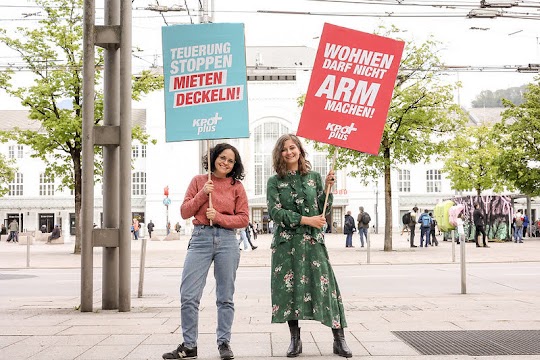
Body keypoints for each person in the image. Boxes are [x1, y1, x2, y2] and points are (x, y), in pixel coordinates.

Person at [266, 134, 352, 358]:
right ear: (279, 154)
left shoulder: (314, 177)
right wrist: (306, 220)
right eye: (284, 149)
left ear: (300, 150)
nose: (289, 152)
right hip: (286, 245)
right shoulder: (274, 182)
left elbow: (323, 209)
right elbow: (275, 213)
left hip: (312, 242)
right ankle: (295, 340)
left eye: (292, 147)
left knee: (327, 288)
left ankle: (339, 338)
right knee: (289, 290)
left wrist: (328, 188)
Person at [163, 143, 249, 360]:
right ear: (213, 158)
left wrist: (218, 217)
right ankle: (189, 345)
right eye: (222, 157)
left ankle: (224, 343)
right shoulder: (199, 181)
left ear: (235, 164)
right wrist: (203, 193)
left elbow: (244, 218)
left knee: (225, 297)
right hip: (201, 238)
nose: (225, 163)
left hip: (228, 241)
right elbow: (184, 211)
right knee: (189, 294)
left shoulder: (236, 186)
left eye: (230, 160)